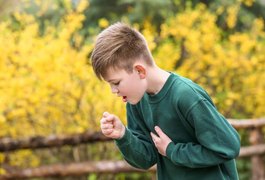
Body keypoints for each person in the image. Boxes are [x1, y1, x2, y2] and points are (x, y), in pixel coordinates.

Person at [91, 22, 240, 180]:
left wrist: (172, 150)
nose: (114, 91)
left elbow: (228, 147)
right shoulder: (136, 101)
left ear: (139, 71)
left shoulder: (186, 95)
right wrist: (123, 136)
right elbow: (147, 159)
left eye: (116, 83)